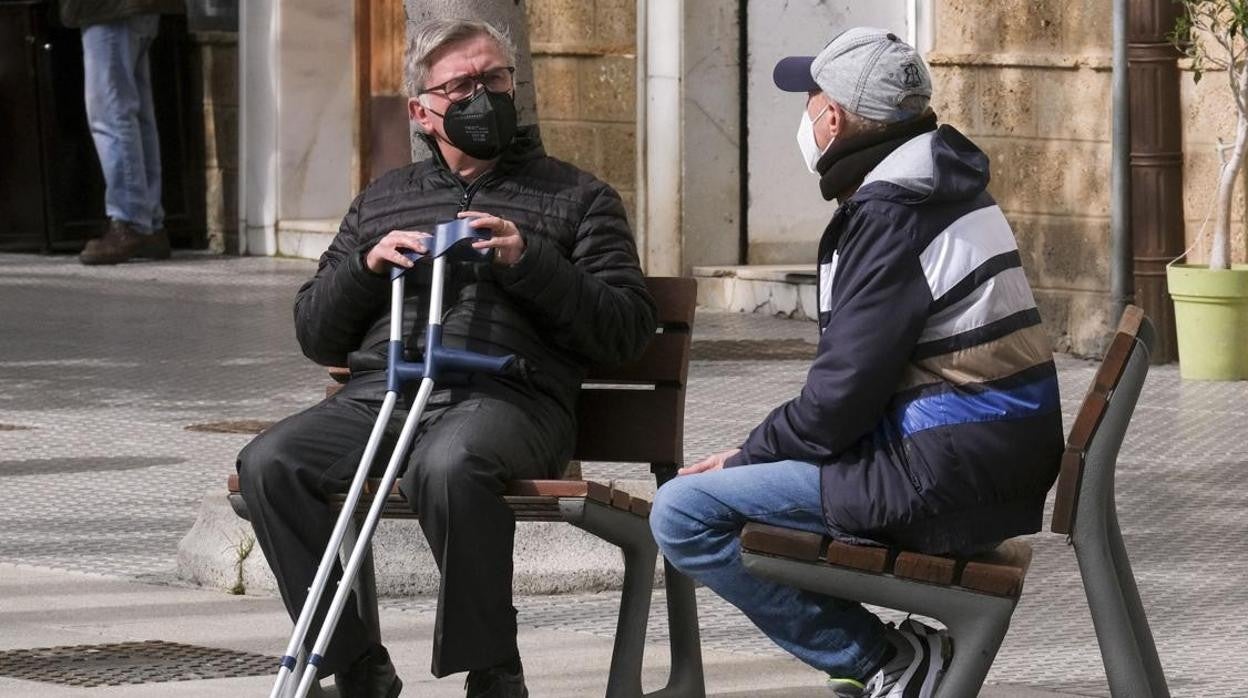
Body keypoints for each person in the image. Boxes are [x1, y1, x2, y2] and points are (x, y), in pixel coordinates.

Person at [235, 17, 656, 698]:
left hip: (512, 401)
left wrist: (530, 260)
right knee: (271, 463)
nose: (482, 97)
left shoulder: (579, 198)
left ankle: (494, 673)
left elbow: (628, 329)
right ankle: (354, 665)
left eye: (495, 79)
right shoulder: (384, 198)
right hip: (387, 395)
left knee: (451, 464)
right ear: (422, 110)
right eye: (462, 85)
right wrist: (366, 268)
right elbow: (315, 332)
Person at [649, 27, 1064, 698]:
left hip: (946, 482)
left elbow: (838, 404)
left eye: (809, 100)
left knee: (684, 514)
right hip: (978, 466)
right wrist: (763, 451)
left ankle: (887, 663)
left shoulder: (894, 215)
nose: (806, 116)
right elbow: (852, 395)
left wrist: (748, 452)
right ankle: (899, 660)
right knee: (720, 492)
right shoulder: (941, 186)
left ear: (833, 117)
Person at [59, 0, 181, 265]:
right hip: (136, 9)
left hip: (109, 8)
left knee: (111, 114)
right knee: (134, 115)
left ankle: (130, 221)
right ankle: (149, 224)